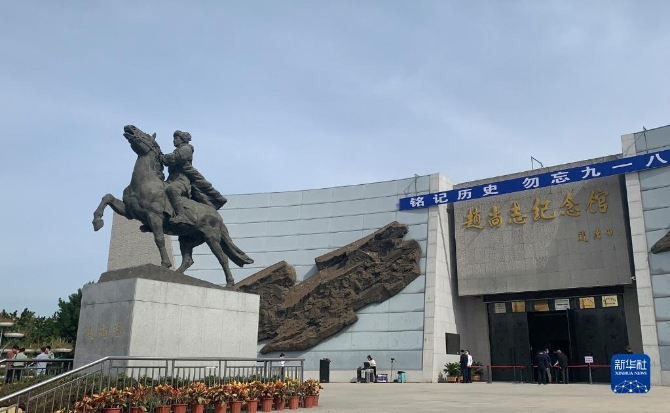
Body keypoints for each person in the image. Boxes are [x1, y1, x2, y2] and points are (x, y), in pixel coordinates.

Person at [161, 130, 227, 225]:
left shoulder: (186, 149)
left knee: (172, 189)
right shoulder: (177, 150)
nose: (174, 140)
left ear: (182, 139)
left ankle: (181, 215)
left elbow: (177, 158)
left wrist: (163, 158)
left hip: (182, 180)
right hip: (171, 179)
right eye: (174, 138)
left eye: (176, 138)